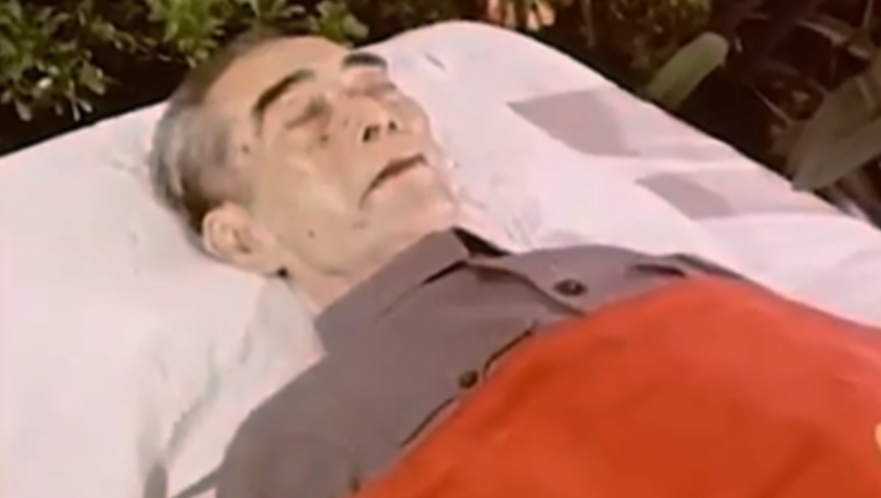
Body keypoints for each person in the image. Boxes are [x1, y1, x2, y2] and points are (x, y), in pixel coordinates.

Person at [150, 28, 881, 498]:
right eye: (306, 120)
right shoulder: (297, 443)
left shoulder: (623, 263)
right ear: (240, 237)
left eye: (376, 88)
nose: (377, 116)